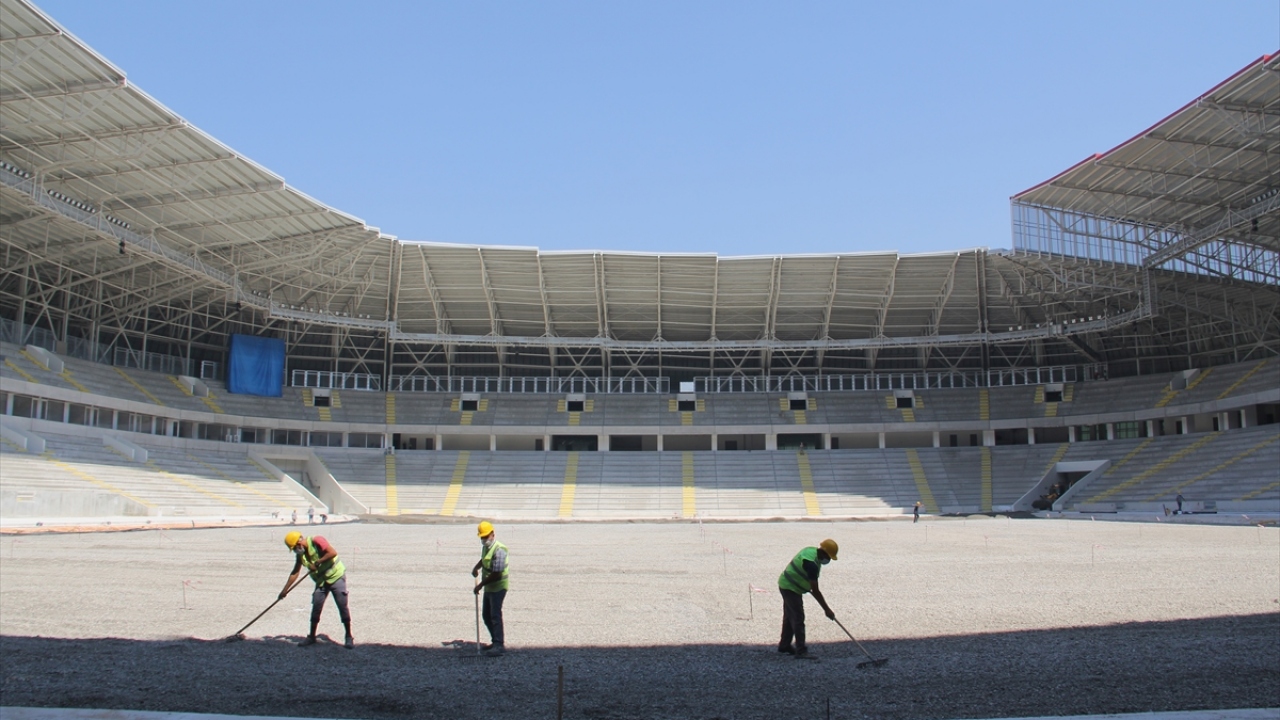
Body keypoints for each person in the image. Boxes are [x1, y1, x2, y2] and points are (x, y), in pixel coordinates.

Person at [281, 530, 353, 649]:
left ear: (299, 543)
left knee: (342, 606)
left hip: (336, 576)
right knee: (316, 606)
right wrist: (285, 590)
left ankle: (348, 637)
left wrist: (318, 562)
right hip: (321, 581)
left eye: (294, 548)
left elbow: (332, 553)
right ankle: (312, 636)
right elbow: (295, 572)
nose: (295, 551)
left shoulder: (317, 540)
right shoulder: (301, 555)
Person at [777, 539, 838, 660]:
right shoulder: (812, 565)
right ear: (824, 553)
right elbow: (815, 590)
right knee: (798, 618)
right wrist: (827, 610)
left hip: (787, 584)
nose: (829, 560)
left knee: (789, 617)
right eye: (829, 557)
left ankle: (784, 645)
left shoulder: (811, 551)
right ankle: (801, 651)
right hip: (790, 587)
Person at [471, 521, 509, 656]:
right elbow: (484, 559)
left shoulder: (499, 550)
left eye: (486, 536)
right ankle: (495, 641)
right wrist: (476, 567)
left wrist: (480, 585)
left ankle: (499, 645)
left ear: (493, 534)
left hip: (498, 587)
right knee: (486, 616)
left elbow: (496, 573)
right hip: (489, 586)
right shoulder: (486, 547)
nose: (484, 539)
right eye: (482, 537)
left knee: (495, 615)